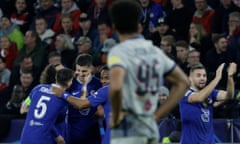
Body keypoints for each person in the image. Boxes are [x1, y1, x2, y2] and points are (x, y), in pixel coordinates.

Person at [107, 1, 190, 143]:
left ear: (114, 27)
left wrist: (115, 117)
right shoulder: (155, 51)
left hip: (129, 127)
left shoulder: (119, 52)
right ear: (139, 26)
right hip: (151, 127)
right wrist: (158, 115)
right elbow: (184, 82)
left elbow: (115, 88)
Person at [179, 63, 237, 144]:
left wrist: (230, 77)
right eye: (198, 76)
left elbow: (229, 95)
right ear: (190, 79)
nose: (202, 78)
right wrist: (217, 78)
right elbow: (200, 97)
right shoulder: (184, 93)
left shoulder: (210, 93)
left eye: (204, 75)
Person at [52, 65, 111, 144]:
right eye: (102, 78)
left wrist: (63, 94)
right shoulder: (129, 90)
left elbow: (81, 105)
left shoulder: (106, 90)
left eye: (107, 78)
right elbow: (100, 113)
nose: (102, 81)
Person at [20, 68, 74, 144]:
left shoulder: (37, 88)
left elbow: (23, 108)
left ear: (56, 78)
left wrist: (33, 110)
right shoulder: (64, 98)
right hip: (45, 138)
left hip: (26, 137)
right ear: (70, 82)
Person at [67, 53, 102, 144]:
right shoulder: (70, 84)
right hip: (72, 134)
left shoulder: (99, 84)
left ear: (91, 69)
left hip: (93, 135)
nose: (81, 74)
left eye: (84, 71)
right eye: (78, 70)